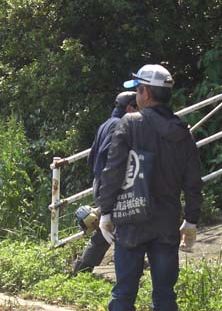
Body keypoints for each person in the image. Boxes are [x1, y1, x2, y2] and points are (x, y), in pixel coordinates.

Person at [97, 64, 203, 311]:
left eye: (138, 90)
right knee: (165, 295)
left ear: (145, 92)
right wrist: (191, 220)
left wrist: (105, 211)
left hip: (131, 219)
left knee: (123, 293)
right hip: (167, 221)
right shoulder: (182, 130)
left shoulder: (130, 123)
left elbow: (113, 171)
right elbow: (193, 180)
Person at [72, 91, 138, 275]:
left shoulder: (106, 124)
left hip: (100, 182)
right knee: (124, 224)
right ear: (130, 108)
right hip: (112, 184)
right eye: (139, 108)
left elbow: (92, 157)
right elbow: (113, 158)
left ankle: (83, 268)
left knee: (106, 228)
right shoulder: (121, 125)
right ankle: (128, 267)